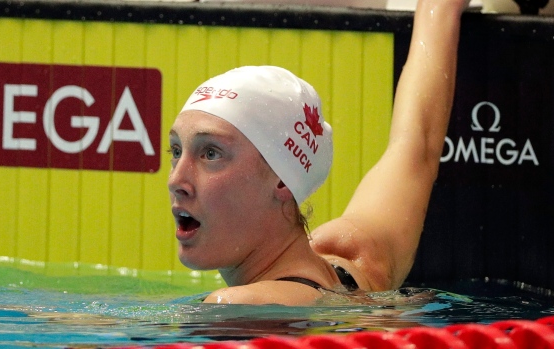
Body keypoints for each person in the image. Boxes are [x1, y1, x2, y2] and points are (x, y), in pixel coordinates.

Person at [168, 0, 470, 305]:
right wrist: (440, 8)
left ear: (282, 180)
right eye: (176, 150)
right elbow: (415, 146)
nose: (176, 180)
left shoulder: (237, 307)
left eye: (211, 153)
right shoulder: (357, 259)